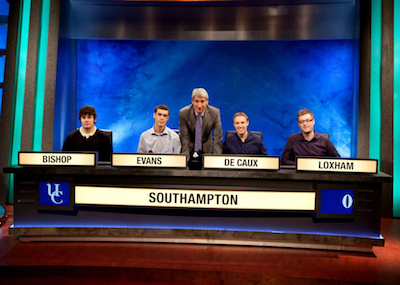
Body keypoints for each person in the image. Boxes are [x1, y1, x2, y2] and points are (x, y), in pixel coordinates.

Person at [179, 88, 223, 155]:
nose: (199, 105)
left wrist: (216, 159)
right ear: (192, 101)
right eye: (196, 101)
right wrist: (185, 159)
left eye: (202, 101)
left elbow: (217, 138)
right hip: (190, 149)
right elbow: (184, 138)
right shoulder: (184, 113)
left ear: (207, 101)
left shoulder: (215, 113)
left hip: (207, 150)